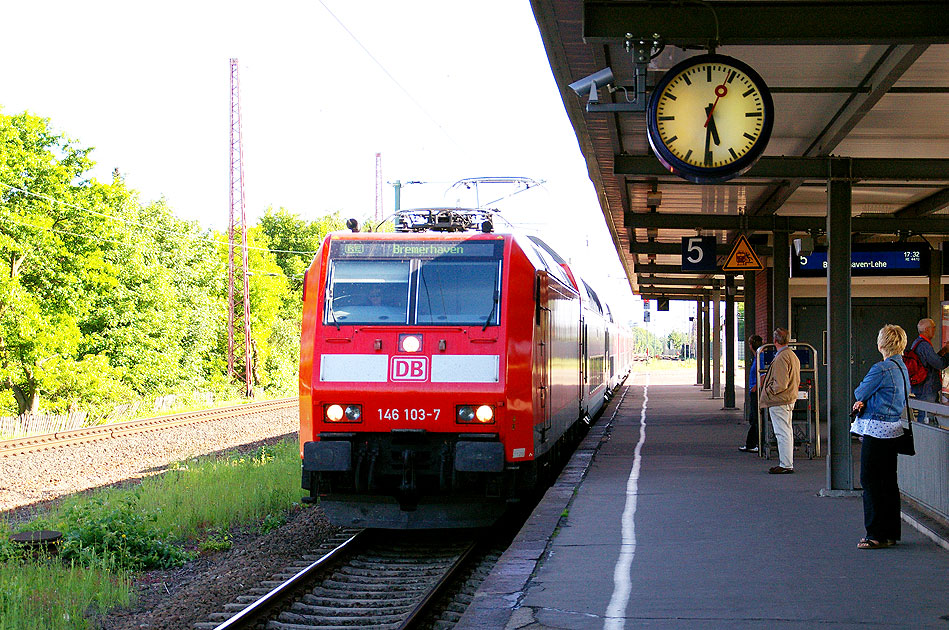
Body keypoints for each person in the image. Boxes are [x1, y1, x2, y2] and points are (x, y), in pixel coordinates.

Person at [850, 324, 910, 549]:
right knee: (888, 482)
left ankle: (874, 534)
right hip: (893, 429)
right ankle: (890, 533)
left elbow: (860, 392)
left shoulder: (881, 368)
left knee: (870, 481)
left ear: (881, 344)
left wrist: (863, 400)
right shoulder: (901, 367)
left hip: (876, 432)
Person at [757, 327, 800, 474]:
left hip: (780, 400)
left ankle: (786, 464)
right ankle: (787, 463)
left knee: (782, 432)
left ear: (775, 341)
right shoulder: (792, 355)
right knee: (786, 432)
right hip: (788, 398)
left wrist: (769, 391)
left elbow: (781, 383)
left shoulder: (782, 357)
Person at [908, 318, 949, 422]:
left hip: (923, 387)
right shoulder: (924, 345)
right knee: (927, 418)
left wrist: (944, 351)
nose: (935, 330)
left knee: (927, 415)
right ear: (926, 329)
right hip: (927, 388)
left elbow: (931, 362)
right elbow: (939, 364)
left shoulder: (918, 342)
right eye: (933, 327)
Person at [739, 334, 764, 453]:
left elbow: (764, 374)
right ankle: (752, 443)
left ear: (750, 345)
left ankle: (753, 443)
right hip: (754, 390)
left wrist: (756, 386)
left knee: (755, 418)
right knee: (754, 417)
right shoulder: (757, 357)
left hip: (757, 391)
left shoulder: (760, 358)